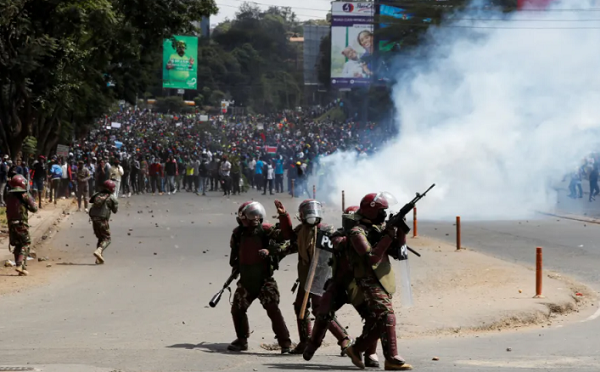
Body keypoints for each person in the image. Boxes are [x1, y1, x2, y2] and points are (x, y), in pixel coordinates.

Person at [303, 206, 380, 368]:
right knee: (322, 312)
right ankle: (313, 345)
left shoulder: (368, 236)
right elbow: (339, 244)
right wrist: (355, 236)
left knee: (373, 316)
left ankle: (370, 352)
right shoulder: (339, 236)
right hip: (339, 284)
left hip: (360, 285)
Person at [344, 192, 413, 371]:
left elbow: (399, 253)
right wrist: (388, 235)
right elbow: (371, 258)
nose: (384, 214)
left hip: (383, 279)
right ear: (371, 211)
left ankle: (356, 348)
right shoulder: (356, 232)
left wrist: (401, 232)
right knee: (387, 316)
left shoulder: (379, 229)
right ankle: (391, 358)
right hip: (367, 280)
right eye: (382, 210)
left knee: (380, 322)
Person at [277, 199, 351, 355]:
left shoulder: (326, 230)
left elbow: (336, 248)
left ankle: (344, 339)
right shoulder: (300, 231)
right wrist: (284, 217)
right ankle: (305, 340)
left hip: (321, 278)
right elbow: (288, 238)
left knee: (320, 310)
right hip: (305, 278)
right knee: (300, 307)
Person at [228, 200, 293, 353]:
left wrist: (284, 216)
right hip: (246, 281)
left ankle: (285, 343)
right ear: (243, 217)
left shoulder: (266, 230)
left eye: (257, 214)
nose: (255, 218)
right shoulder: (238, 234)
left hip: (265, 280)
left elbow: (286, 235)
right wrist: (236, 269)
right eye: (251, 215)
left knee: (272, 309)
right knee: (237, 309)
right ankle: (242, 340)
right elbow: (234, 259)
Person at [5, 175, 38, 276]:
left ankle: (20, 267)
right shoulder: (24, 195)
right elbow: (34, 208)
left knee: (17, 244)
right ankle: (19, 265)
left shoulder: (8, 196)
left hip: (11, 224)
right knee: (26, 243)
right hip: (21, 223)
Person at [89, 180, 119, 265]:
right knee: (107, 238)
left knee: (100, 238)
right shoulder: (111, 197)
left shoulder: (96, 195)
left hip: (94, 219)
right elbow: (115, 210)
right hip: (102, 219)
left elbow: (91, 201)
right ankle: (99, 251)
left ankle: (99, 258)